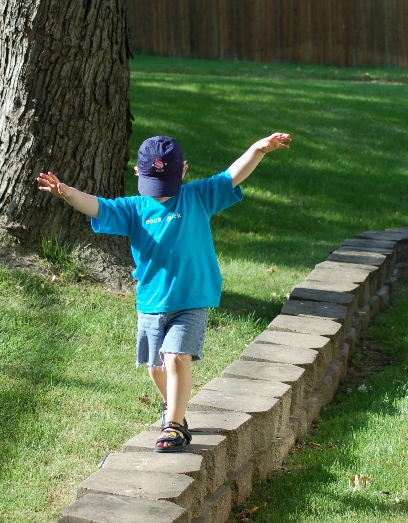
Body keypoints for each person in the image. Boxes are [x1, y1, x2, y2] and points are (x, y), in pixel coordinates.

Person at [37, 132, 291, 453]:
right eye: (153, 185)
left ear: (183, 171)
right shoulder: (133, 208)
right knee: (155, 367)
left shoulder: (197, 197)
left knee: (174, 358)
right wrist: (68, 193)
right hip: (151, 302)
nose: (159, 195)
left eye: (166, 185)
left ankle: (172, 425)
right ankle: (176, 414)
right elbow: (98, 207)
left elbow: (231, 176)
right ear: (138, 174)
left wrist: (258, 150)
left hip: (191, 299)